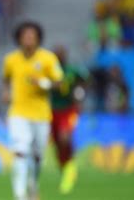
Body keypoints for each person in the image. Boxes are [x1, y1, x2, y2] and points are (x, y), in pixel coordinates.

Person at [2, 22, 64, 200]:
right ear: (19, 39)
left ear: (38, 39)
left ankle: (33, 184)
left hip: (41, 114)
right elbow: (6, 78)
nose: (28, 39)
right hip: (18, 112)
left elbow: (60, 83)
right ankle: (20, 195)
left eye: (32, 36)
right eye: (25, 36)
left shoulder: (48, 58)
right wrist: (6, 92)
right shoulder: (11, 59)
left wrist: (44, 83)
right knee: (20, 150)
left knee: (37, 156)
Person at [50, 46, 88, 195]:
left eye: (61, 53)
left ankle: (70, 164)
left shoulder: (72, 70)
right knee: (57, 142)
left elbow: (85, 80)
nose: (59, 56)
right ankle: (65, 167)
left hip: (69, 109)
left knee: (64, 137)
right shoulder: (50, 70)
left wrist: (79, 94)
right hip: (52, 110)